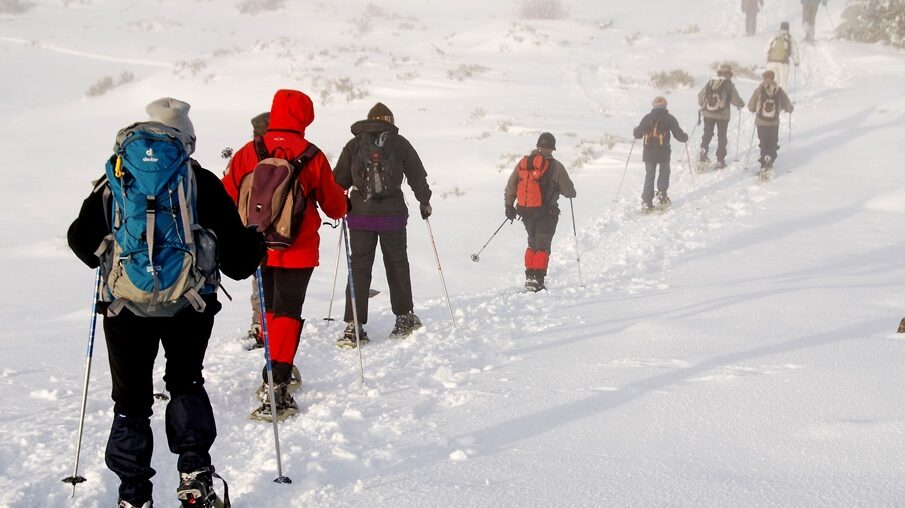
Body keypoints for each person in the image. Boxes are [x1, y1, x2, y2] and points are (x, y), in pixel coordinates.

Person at [67, 98, 265, 508]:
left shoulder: (115, 180)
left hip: (124, 309)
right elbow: (240, 264)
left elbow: (80, 242)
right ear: (186, 140)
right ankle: (195, 478)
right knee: (185, 382)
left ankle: (133, 494)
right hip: (189, 306)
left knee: (130, 401)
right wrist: (254, 243)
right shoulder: (200, 180)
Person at [222, 90, 348, 418]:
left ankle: (274, 371)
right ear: (305, 118)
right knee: (288, 311)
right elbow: (335, 207)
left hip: (257, 245)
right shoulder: (312, 154)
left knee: (271, 310)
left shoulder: (249, 151)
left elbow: (227, 194)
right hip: (298, 248)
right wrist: (344, 203)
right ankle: (276, 385)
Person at [332, 102, 432, 347]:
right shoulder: (399, 143)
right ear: (390, 120)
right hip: (393, 215)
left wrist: (338, 206)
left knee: (359, 267)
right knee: (397, 264)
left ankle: (353, 326)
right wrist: (424, 201)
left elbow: (338, 180)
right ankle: (404, 317)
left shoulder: (354, 144)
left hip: (360, 216)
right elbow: (417, 174)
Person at [503, 132, 576, 292]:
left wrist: (509, 205)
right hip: (546, 213)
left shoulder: (524, 163)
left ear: (538, 146)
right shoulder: (556, 166)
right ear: (552, 148)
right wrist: (569, 191)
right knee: (542, 246)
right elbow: (569, 191)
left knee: (532, 243)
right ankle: (538, 279)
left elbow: (511, 185)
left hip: (525, 212)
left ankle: (529, 276)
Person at [242, 111, 270, 349]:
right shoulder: (289, 152)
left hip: (252, 228)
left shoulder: (245, 154)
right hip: (284, 233)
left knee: (258, 280)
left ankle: (260, 324)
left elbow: (229, 189)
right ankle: (277, 325)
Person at [632, 96, 689, 213]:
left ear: (653, 106)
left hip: (648, 153)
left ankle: (647, 202)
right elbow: (679, 135)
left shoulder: (647, 118)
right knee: (664, 172)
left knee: (649, 175)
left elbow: (638, 135)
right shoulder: (669, 118)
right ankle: (662, 196)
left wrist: (635, 130)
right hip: (663, 152)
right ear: (665, 106)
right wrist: (685, 137)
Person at [697, 64, 745, 169]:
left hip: (708, 113)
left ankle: (703, 151)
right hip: (723, 115)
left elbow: (700, 96)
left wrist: (703, 105)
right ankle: (720, 160)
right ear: (729, 74)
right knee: (722, 137)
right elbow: (736, 100)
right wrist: (741, 104)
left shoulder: (711, 82)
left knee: (707, 133)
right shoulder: (729, 84)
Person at [748, 70, 794, 176]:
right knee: (773, 142)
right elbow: (788, 106)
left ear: (764, 78)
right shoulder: (779, 90)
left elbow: (751, 107)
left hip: (761, 122)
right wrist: (790, 109)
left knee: (763, 143)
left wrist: (756, 110)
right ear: (773, 78)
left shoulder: (759, 90)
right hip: (773, 123)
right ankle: (770, 160)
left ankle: (764, 164)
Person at [765, 21, 800, 91]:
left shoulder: (774, 36)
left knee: (773, 82)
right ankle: (782, 100)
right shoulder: (789, 38)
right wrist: (796, 61)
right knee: (783, 83)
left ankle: (772, 99)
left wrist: (767, 60)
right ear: (788, 28)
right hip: (783, 64)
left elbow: (766, 49)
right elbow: (794, 51)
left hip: (771, 62)